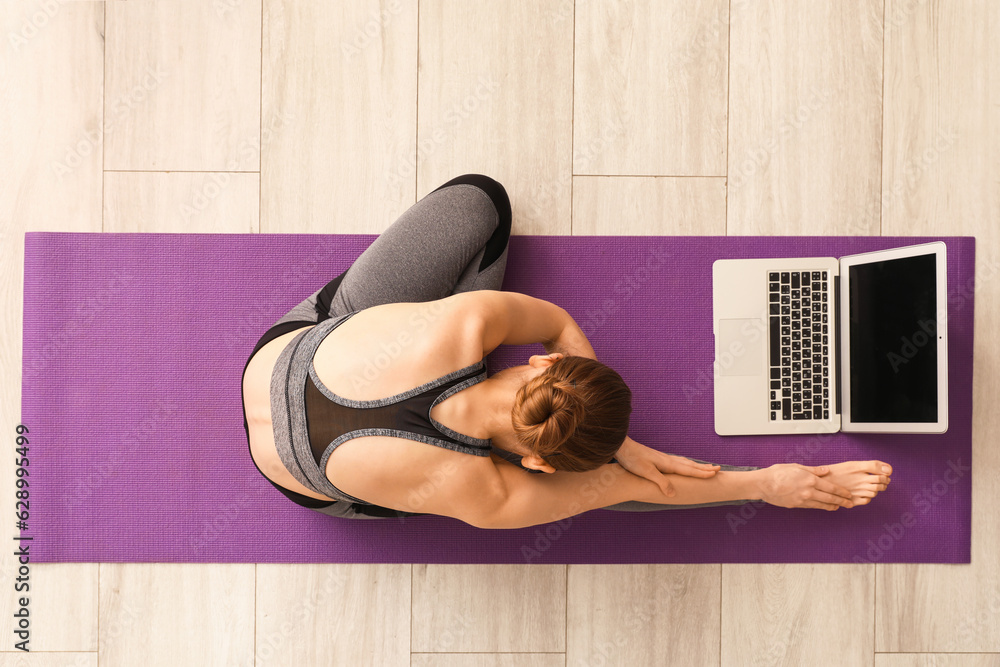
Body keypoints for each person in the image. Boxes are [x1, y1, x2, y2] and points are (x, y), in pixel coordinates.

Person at [240, 174, 892, 528]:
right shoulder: (486, 494)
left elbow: (554, 321)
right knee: (607, 493)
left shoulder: (468, 323)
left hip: (280, 357)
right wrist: (761, 484)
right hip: (298, 480)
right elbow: (624, 486)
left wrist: (621, 442)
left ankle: (361, 336)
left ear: (541, 364)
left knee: (481, 200)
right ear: (539, 465)